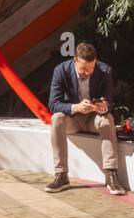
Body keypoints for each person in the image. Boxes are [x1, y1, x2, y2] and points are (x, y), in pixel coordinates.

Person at [46, 41, 126, 195]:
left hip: (93, 119)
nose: (88, 72)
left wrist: (104, 106)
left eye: (91, 68)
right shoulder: (61, 70)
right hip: (72, 119)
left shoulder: (104, 70)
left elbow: (109, 101)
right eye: (84, 68)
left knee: (107, 118)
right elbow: (53, 104)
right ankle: (61, 174)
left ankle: (111, 174)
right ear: (75, 60)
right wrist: (75, 107)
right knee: (56, 118)